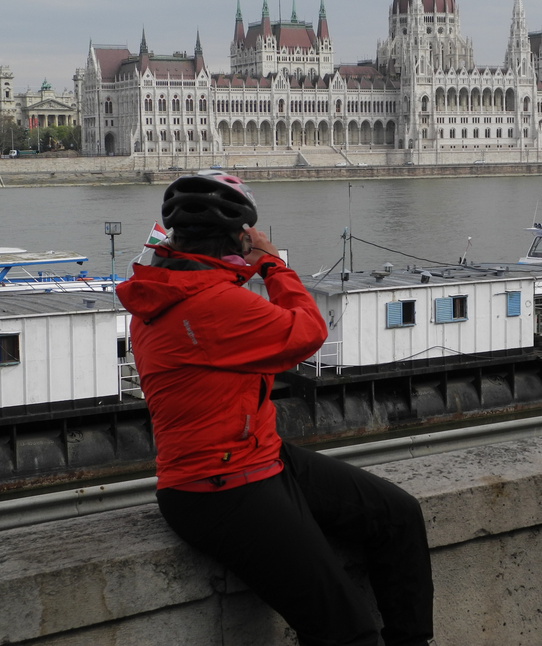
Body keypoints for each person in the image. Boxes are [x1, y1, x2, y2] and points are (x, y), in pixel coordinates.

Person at [116, 172, 435, 646]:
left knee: (397, 516)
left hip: (257, 458)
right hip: (218, 488)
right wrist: (271, 264)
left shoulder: (164, 295)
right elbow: (308, 330)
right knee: (345, 633)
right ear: (239, 237)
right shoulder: (212, 304)